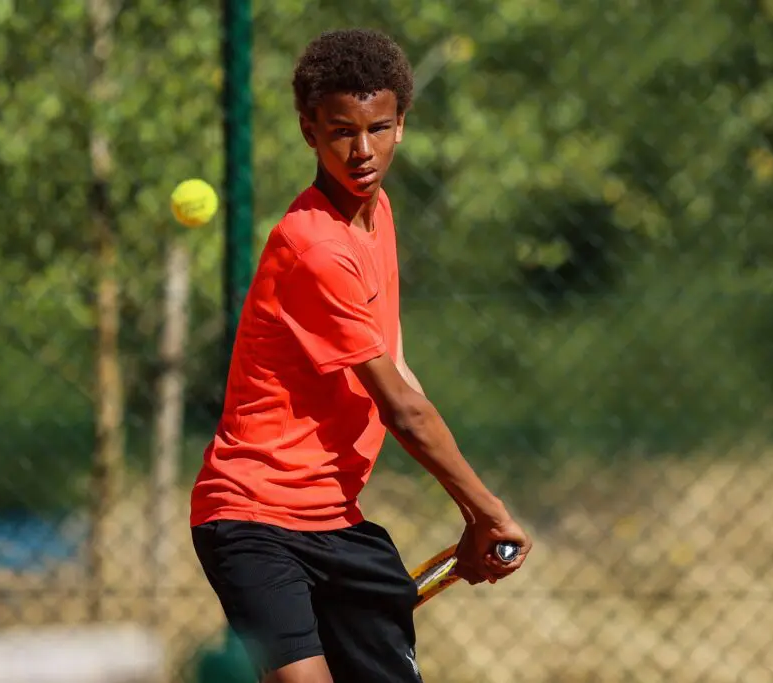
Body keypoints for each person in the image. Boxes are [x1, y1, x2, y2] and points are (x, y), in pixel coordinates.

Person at [190, 27, 532, 683]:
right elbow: (400, 407)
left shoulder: (378, 215)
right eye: (341, 130)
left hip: (337, 522)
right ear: (308, 131)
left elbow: (398, 368)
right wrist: (488, 511)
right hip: (252, 517)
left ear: (402, 123)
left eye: (378, 127)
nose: (362, 150)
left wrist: (473, 516)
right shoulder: (315, 245)